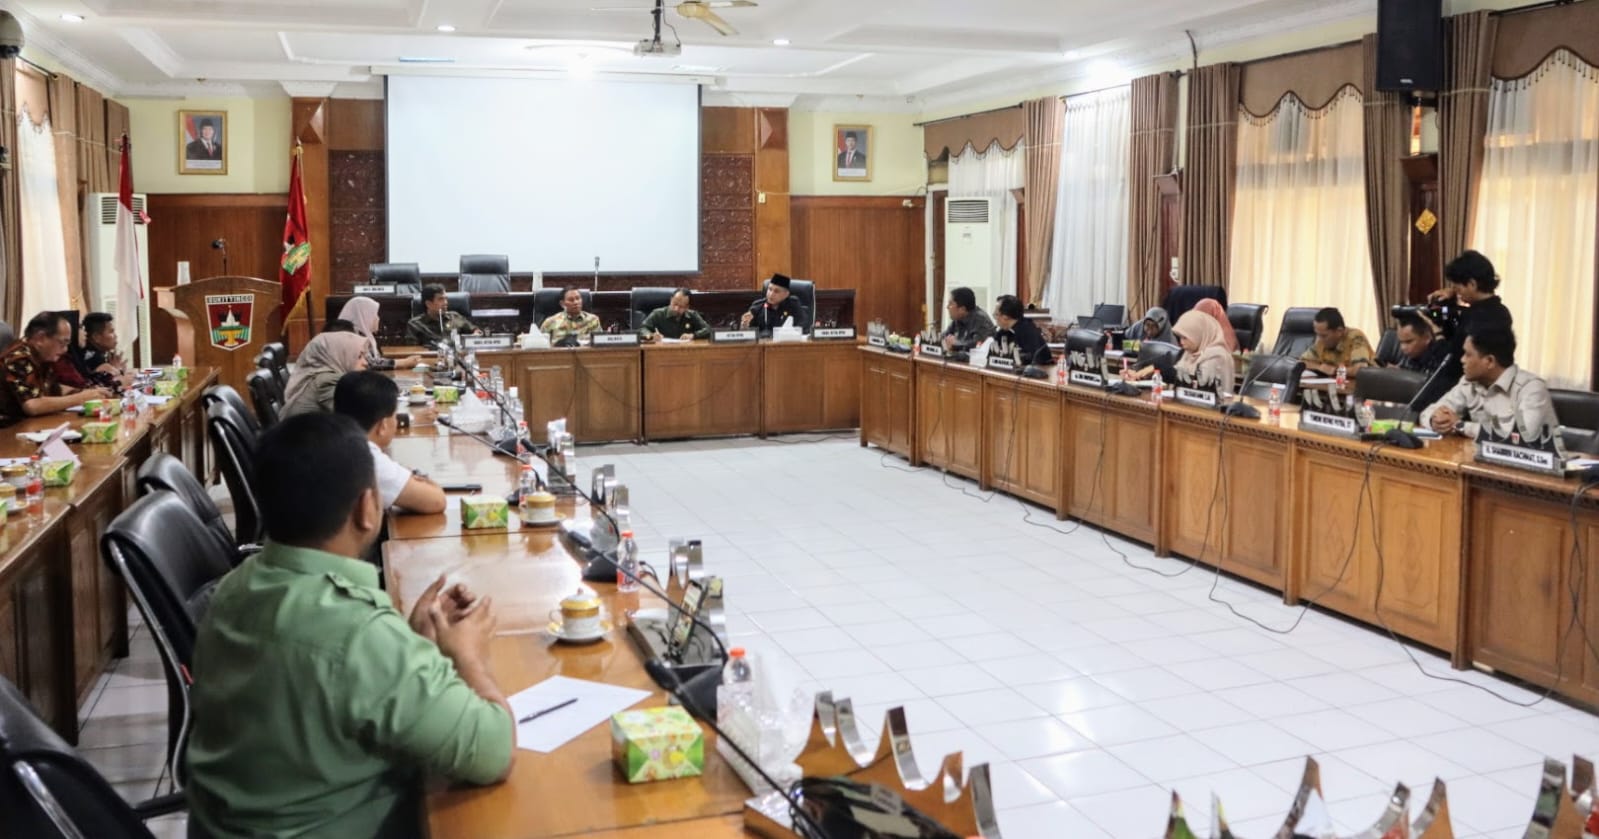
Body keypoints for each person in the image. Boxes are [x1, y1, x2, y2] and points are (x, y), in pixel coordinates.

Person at [184, 413, 513, 839]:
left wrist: (409, 641)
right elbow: (495, 752)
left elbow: (325, 687)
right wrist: (468, 656)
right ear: (367, 508)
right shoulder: (360, 634)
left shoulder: (232, 588)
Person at [1420, 328, 1560, 444]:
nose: (1462, 360)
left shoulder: (1531, 388)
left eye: (1468, 355)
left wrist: (1462, 426)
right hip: (1483, 464)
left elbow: (1520, 438)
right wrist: (1435, 420)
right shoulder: (1469, 383)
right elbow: (1428, 412)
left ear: (1489, 361)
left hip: (1533, 472)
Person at [334, 372, 446, 514]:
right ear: (383, 426)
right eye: (394, 416)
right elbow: (436, 501)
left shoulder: (330, 437)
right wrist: (420, 477)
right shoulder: (365, 458)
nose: (397, 422)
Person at [0, 312, 111, 425]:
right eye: (63, 343)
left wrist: (86, 392)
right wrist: (80, 398)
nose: (65, 350)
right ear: (40, 338)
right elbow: (32, 405)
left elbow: (53, 387)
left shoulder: (41, 355)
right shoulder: (18, 357)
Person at [281, 331, 369, 419]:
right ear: (338, 355)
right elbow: (356, 419)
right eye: (359, 357)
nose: (365, 363)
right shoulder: (328, 381)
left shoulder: (321, 376)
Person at [338, 296, 421, 370]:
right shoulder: (352, 336)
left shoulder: (362, 334)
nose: (378, 318)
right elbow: (369, 364)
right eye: (374, 314)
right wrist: (403, 363)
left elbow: (375, 360)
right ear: (363, 315)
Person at [1171, 310, 1235, 397]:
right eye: (1180, 337)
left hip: (1211, 408)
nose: (1181, 342)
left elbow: (1204, 390)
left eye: (1185, 338)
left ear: (1198, 334)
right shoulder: (1189, 353)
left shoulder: (1217, 356)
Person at [1300, 307, 1374, 378]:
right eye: (1317, 334)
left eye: (1324, 336)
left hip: (1370, 385)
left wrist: (1335, 370)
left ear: (1339, 331)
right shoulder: (1321, 341)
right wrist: (1319, 367)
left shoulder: (1356, 337)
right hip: (1338, 385)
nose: (1319, 339)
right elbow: (1301, 363)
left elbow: (1360, 370)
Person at [406, 285, 480, 346]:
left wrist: (474, 336)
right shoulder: (415, 324)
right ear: (428, 304)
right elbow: (413, 350)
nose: (445, 303)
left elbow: (476, 331)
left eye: (446, 299)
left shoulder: (454, 316)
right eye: (440, 299)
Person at [991, 295, 1049, 366]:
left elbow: (1035, 358)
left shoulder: (1028, 330)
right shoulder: (1003, 331)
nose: (995, 318)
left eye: (996, 314)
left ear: (1006, 317)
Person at [741, 273, 809, 333]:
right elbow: (748, 333)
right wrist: (744, 326)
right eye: (770, 289)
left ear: (786, 294)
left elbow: (804, 325)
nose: (771, 294)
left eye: (776, 291)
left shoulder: (793, 304)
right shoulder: (757, 307)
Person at [637, 289, 711, 342]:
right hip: (661, 352)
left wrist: (693, 336)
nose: (676, 309)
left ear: (687, 307)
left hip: (685, 352)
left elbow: (708, 330)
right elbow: (642, 329)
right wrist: (651, 336)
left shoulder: (692, 315)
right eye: (675, 304)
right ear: (671, 300)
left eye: (681, 306)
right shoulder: (658, 314)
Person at [941, 287, 996, 353]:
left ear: (962, 309)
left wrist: (956, 344)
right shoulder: (958, 319)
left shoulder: (980, 320)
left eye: (950, 304)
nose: (947, 307)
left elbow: (977, 345)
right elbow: (944, 336)